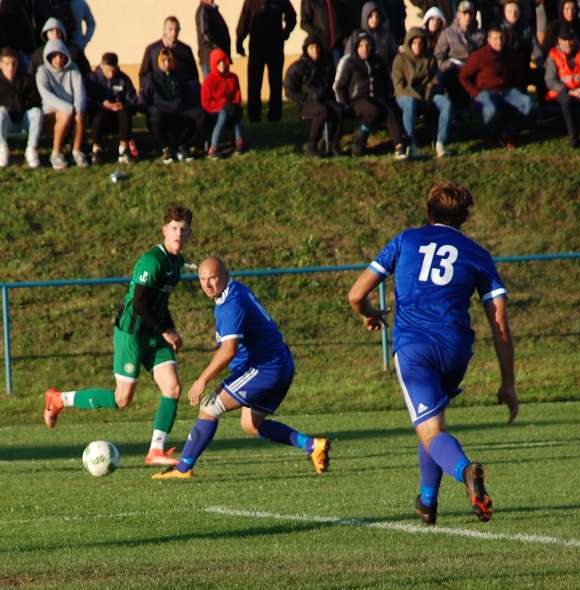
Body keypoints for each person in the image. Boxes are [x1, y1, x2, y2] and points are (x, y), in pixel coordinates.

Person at [347, 181, 519, 526]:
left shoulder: (406, 240)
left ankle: (465, 470)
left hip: (414, 348)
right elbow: (499, 324)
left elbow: (355, 294)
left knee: (431, 431)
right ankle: (427, 503)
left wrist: (368, 312)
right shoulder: (478, 255)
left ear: (428, 213)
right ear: (465, 217)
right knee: (431, 424)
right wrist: (508, 383)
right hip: (455, 349)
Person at [153, 257, 331, 480]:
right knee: (251, 424)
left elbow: (228, 350)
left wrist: (202, 380)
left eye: (212, 278)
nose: (207, 284)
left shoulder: (231, 305)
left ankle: (183, 467)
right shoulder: (235, 290)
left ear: (225, 276)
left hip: (264, 367)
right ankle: (314, 445)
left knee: (209, 406)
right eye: (202, 279)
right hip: (279, 363)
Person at [44, 206, 195, 468]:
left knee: (173, 387)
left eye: (183, 229)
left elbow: (159, 302)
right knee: (122, 400)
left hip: (154, 333)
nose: (178, 233)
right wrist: (164, 330)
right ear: (164, 231)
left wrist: (171, 329)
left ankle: (155, 451)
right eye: (173, 228)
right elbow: (139, 303)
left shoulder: (177, 262)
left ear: (190, 233)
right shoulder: (152, 261)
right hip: (132, 333)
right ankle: (59, 399)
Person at [334, 31, 408, 158]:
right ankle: (359, 140)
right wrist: (343, 103)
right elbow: (339, 86)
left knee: (390, 111)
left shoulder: (377, 60)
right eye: (361, 46)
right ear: (356, 47)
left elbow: (386, 80)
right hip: (357, 99)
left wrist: (390, 94)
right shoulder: (350, 63)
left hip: (377, 97)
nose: (365, 49)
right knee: (373, 111)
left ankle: (399, 146)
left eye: (367, 45)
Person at [459, 26, 535, 148]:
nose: (498, 41)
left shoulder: (510, 54)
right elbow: (463, 76)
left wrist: (515, 87)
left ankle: (508, 134)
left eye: (501, 38)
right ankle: (490, 137)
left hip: (507, 91)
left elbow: (518, 73)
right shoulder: (479, 56)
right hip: (486, 92)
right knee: (491, 108)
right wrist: (475, 93)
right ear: (488, 40)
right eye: (495, 39)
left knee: (528, 103)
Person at [392, 27, 452, 158]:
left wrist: (429, 91)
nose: (417, 46)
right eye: (414, 43)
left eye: (420, 43)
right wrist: (417, 95)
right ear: (409, 43)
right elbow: (399, 86)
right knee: (409, 103)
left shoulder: (430, 59)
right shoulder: (400, 59)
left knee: (445, 103)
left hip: (427, 95)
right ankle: (411, 145)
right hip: (406, 95)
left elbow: (435, 80)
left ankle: (441, 143)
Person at [139, 48, 207, 164]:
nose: (167, 63)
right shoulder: (151, 78)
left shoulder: (179, 76)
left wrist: (181, 104)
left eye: (169, 60)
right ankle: (166, 148)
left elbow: (184, 95)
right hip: (163, 111)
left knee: (200, 115)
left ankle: (183, 145)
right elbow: (151, 100)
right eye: (164, 60)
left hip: (179, 109)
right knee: (154, 116)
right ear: (159, 62)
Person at [236, 0, 297, 122]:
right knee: (254, 84)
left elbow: (292, 17)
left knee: (275, 83)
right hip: (256, 48)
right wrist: (239, 42)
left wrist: (285, 33)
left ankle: (274, 115)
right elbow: (244, 21)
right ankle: (254, 116)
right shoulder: (251, 1)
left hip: (275, 47)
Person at [545, 25, 580, 147]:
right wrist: (568, 91)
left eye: (571, 39)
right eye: (565, 40)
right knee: (566, 101)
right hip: (563, 90)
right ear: (559, 41)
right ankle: (573, 136)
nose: (568, 43)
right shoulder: (553, 55)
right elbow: (550, 80)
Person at [285, 34, 342, 156]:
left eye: (317, 47)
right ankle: (311, 146)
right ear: (306, 49)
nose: (315, 50)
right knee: (322, 111)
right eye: (311, 48)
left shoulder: (326, 64)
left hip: (325, 98)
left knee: (339, 110)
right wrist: (305, 98)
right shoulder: (298, 67)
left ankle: (334, 145)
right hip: (306, 103)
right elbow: (289, 90)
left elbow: (332, 83)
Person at [35, 39, 87, 169]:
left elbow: (79, 90)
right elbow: (46, 95)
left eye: (61, 55)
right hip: (51, 112)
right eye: (54, 55)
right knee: (64, 114)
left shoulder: (73, 69)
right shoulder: (42, 72)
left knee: (79, 116)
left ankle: (76, 151)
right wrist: (67, 108)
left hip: (70, 110)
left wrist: (79, 108)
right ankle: (56, 153)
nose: (58, 59)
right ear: (49, 56)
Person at [88, 52, 138, 165]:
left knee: (125, 111)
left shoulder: (123, 79)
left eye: (113, 71)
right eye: (107, 71)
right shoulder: (92, 79)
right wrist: (102, 104)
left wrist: (123, 104)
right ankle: (96, 150)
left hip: (118, 118)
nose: (110, 74)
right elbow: (87, 100)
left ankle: (123, 150)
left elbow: (133, 100)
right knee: (98, 113)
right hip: (100, 117)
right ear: (101, 66)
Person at [434, 1, 485, 109]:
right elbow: (438, 56)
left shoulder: (480, 34)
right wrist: (448, 64)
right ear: (458, 14)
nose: (467, 17)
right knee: (446, 76)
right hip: (454, 69)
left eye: (470, 14)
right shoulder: (447, 33)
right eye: (464, 13)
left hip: (474, 69)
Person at [0, 46, 42, 168]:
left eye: (14, 64)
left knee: (37, 112)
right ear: (1, 64)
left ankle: (31, 149)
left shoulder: (26, 80)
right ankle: (2, 149)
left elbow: (35, 102)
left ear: (18, 64)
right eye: (7, 64)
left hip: (23, 119)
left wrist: (19, 104)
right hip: (5, 123)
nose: (11, 67)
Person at [201, 48, 245, 158]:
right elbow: (206, 102)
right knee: (223, 114)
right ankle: (213, 148)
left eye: (223, 61)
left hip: (229, 107)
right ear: (213, 64)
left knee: (234, 112)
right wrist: (223, 104)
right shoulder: (209, 80)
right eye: (218, 62)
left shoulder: (233, 77)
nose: (222, 65)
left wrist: (235, 105)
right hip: (213, 110)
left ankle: (239, 142)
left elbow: (237, 95)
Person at [139, 16, 199, 86]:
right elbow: (143, 75)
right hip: (158, 93)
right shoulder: (152, 50)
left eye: (176, 29)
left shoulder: (186, 50)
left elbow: (194, 76)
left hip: (181, 93)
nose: (174, 32)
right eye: (170, 29)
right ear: (164, 29)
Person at [344, 1, 399, 71]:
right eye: (371, 16)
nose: (374, 19)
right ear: (365, 16)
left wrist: (391, 70)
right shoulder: (356, 36)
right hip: (361, 75)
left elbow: (395, 54)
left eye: (377, 16)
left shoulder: (386, 35)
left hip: (383, 74)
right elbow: (346, 59)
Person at [301, 0, 349, 65]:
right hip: (320, 47)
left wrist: (342, 35)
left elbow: (346, 19)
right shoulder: (310, 1)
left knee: (339, 72)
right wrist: (319, 35)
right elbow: (304, 23)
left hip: (338, 46)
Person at [196, 0, 231, 77]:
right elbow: (204, 34)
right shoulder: (203, 10)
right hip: (211, 59)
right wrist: (218, 50)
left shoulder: (211, 9)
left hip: (220, 59)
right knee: (212, 86)